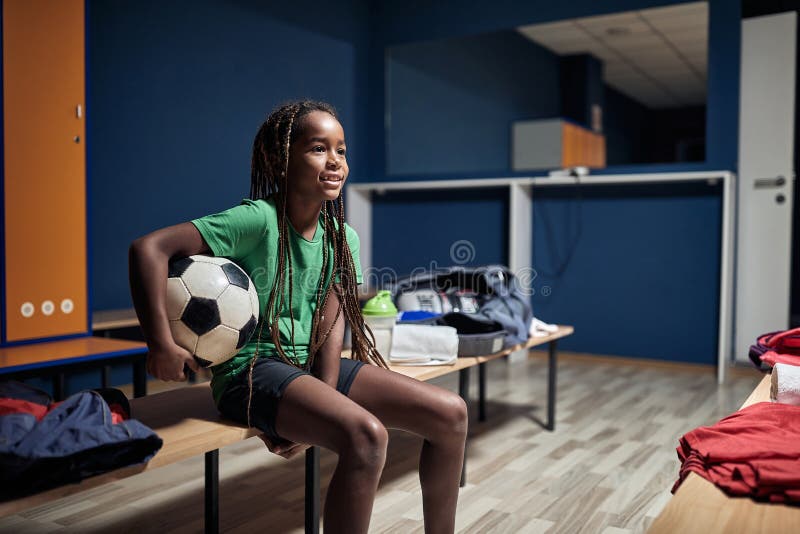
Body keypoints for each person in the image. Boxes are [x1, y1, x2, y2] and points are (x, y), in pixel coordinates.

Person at [128, 100, 468, 534]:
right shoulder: (257, 219)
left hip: (306, 365)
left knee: (452, 413)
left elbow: (331, 328)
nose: (335, 162)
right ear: (281, 159)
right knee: (367, 437)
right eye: (318, 148)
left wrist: (325, 404)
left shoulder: (343, 238)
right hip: (250, 372)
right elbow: (148, 249)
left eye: (341, 150)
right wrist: (160, 343)